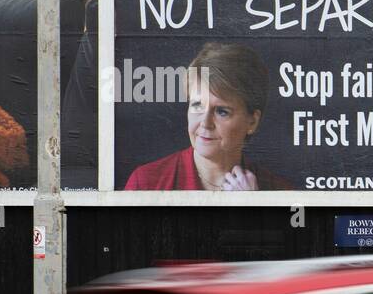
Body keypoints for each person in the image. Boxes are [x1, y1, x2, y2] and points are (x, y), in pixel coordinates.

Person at [124, 42, 290, 191]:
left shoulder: (279, 191)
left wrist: (253, 211)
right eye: (197, 105)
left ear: (252, 121)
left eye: (222, 111)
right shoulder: (145, 183)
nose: (205, 123)